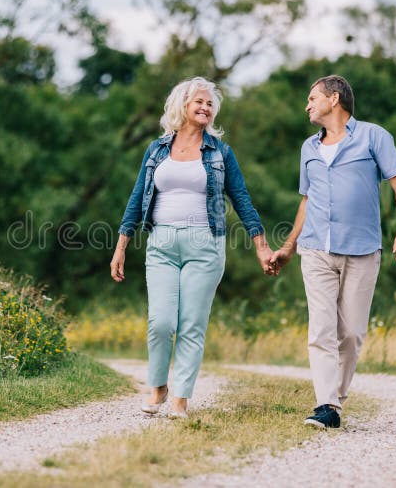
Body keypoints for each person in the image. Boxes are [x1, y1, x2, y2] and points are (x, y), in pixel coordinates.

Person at [110, 76, 274, 418]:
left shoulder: (220, 152)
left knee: (191, 325)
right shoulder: (156, 149)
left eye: (210, 104)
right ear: (182, 105)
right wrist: (121, 245)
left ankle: (181, 399)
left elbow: (241, 198)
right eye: (199, 101)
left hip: (205, 245)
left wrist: (260, 244)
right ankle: (158, 387)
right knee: (160, 322)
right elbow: (138, 195)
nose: (205, 108)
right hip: (162, 244)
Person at [270, 75, 396, 429]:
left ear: (334, 99)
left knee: (350, 332)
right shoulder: (308, 148)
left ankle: (334, 399)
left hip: (362, 249)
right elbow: (307, 201)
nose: (307, 105)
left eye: (312, 98)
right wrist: (289, 247)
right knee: (321, 329)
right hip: (316, 248)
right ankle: (328, 406)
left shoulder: (374, 137)